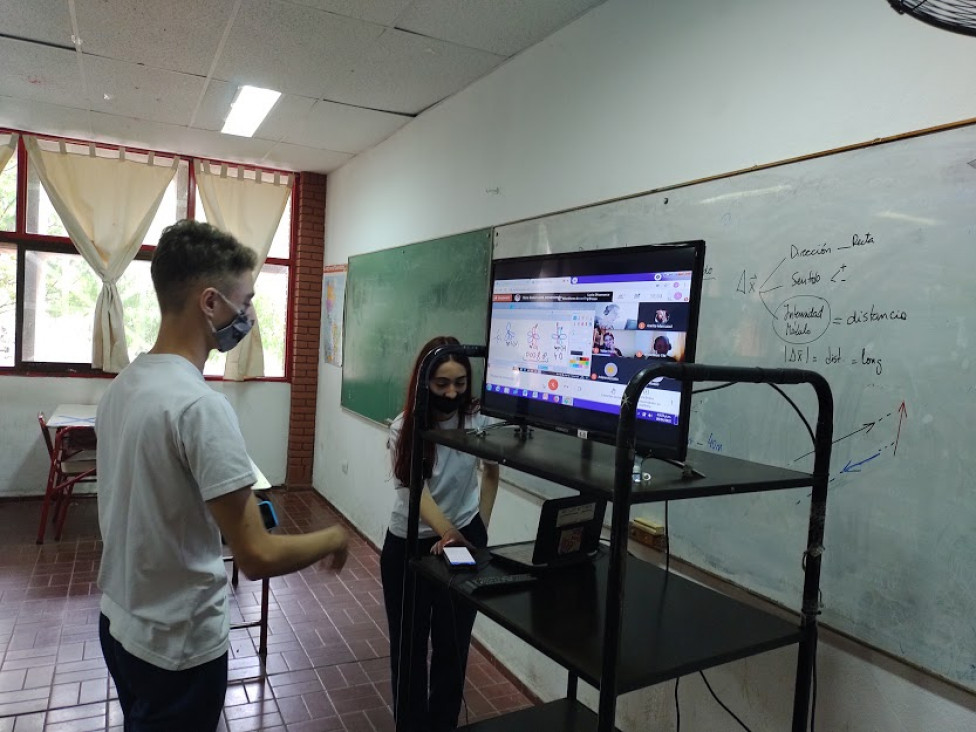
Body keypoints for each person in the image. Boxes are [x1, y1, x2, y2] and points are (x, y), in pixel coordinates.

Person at [95, 219, 349, 731]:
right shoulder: (199, 406)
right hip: (179, 648)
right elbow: (255, 556)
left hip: (120, 623)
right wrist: (333, 537)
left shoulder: (125, 385)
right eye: (245, 300)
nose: (248, 315)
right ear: (210, 303)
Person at [380, 336, 500, 732]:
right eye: (442, 384)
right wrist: (449, 531)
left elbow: (492, 472)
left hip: (463, 540)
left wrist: (475, 528)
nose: (452, 393)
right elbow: (415, 490)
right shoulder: (404, 428)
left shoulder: (479, 422)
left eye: (461, 383)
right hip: (410, 544)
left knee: (453, 646)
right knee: (410, 649)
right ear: (424, 382)